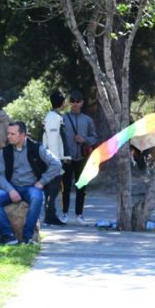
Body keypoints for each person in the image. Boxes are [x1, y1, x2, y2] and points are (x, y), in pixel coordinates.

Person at [0, 121, 62, 244]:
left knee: (37, 198)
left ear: (23, 135)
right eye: (8, 133)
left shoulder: (37, 148)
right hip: (11, 187)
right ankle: (8, 235)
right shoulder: (5, 152)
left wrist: (42, 182)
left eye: (12, 134)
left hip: (31, 187)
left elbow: (56, 164)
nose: (8, 136)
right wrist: (10, 190)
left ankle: (27, 237)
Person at [60, 89, 97, 224]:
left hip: (82, 158)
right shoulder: (62, 118)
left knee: (82, 187)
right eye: (72, 101)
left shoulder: (87, 120)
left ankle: (79, 214)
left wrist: (84, 139)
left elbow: (94, 138)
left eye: (77, 101)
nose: (75, 104)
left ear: (82, 103)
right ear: (69, 103)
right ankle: (64, 213)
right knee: (65, 187)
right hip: (67, 158)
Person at [42, 90, 66, 222]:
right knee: (53, 188)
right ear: (62, 103)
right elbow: (52, 140)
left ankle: (51, 213)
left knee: (53, 188)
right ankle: (50, 215)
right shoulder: (53, 117)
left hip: (53, 158)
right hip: (53, 159)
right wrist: (56, 161)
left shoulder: (54, 116)